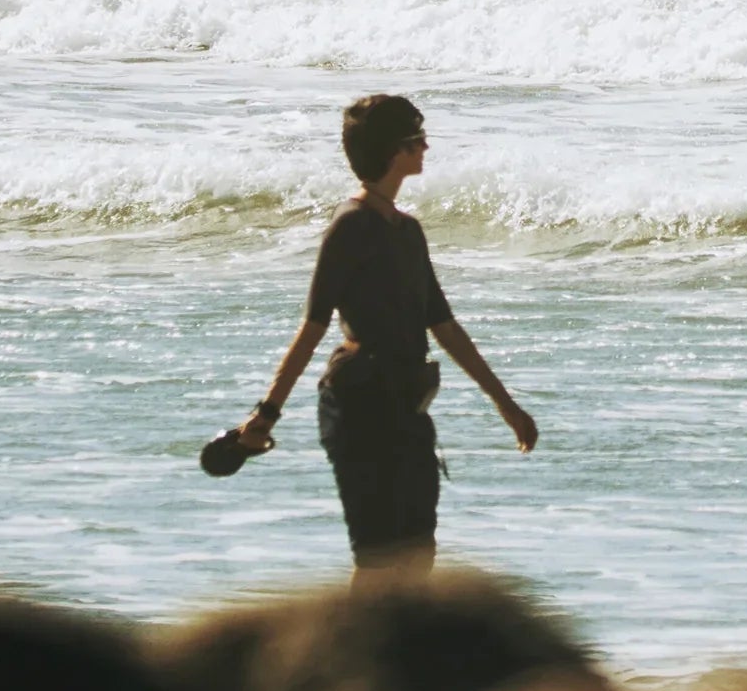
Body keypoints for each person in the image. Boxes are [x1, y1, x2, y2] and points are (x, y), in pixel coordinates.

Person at [228, 93, 537, 581]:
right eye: (417, 139)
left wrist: (505, 404)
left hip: (407, 409)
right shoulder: (350, 226)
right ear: (395, 151)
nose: (426, 147)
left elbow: (445, 326)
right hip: (358, 408)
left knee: (418, 557)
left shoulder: (408, 231)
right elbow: (313, 327)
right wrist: (266, 414)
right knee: (377, 562)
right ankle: (348, 655)